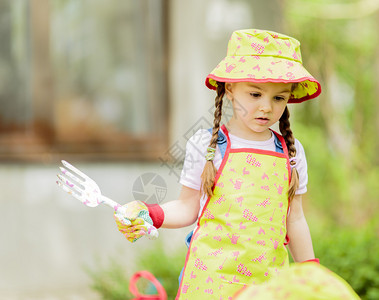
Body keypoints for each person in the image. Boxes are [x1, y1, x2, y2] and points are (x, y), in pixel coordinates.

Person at [114, 29, 322, 299]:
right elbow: (188, 207)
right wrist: (151, 214)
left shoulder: (291, 152)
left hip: (268, 285)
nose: (266, 107)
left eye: (278, 98)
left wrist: (311, 274)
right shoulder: (207, 145)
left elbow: (295, 219)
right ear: (231, 89)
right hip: (211, 282)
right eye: (255, 94)